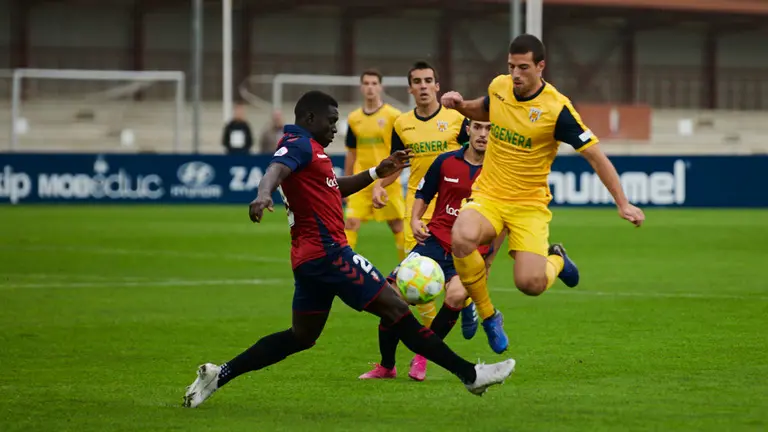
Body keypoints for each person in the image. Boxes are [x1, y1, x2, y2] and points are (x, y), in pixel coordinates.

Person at [182, 90, 516, 408]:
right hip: (331, 255)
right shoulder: (298, 144)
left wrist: (375, 172)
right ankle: (471, 374)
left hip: (308, 261)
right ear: (310, 118)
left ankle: (219, 374)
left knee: (301, 336)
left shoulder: (311, 150)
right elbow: (275, 168)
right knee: (398, 310)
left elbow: (333, 186)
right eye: (330, 121)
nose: (335, 128)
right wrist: (263, 193)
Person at [441, 34, 646, 354]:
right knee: (462, 235)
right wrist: (458, 105)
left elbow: (595, 156)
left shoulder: (557, 109)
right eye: (511, 67)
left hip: (528, 206)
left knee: (530, 285)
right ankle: (489, 316)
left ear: (541, 66)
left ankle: (557, 261)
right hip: (489, 196)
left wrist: (623, 202)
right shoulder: (500, 87)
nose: (516, 74)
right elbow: (483, 109)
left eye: (523, 67)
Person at [359, 119, 507, 382]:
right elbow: (423, 193)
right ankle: (386, 366)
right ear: (468, 130)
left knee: (457, 295)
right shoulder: (446, 161)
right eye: (478, 127)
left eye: (490, 129)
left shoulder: (501, 171)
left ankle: (423, 355)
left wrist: (489, 260)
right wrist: (416, 220)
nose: (483, 134)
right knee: (392, 297)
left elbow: (505, 221)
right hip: (434, 242)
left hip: (471, 250)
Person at [371, 61, 479, 378]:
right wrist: (379, 184)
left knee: (439, 290)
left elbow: (478, 154)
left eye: (428, 80)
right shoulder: (402, 124)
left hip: (454, 219)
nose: (422, 86)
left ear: (437, 85)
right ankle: (390, 364)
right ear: (409, 88)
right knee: (410, 292)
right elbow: (396, 165)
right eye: (416, 81)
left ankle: (423, 355)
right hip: (417, 218)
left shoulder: (457, 121)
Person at [344, 69, 406, 260]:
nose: (370, 87)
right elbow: (351, 153)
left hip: (387, 180)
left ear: (381, 87)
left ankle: (407, 267)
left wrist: (391, 176)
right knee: (351, 223)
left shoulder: (394, 116)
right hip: (361, 179)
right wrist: (346, 184)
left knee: (397, 225)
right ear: (361, 87)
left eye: (374, 83)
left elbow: (401, 151)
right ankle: (344, 267)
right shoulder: (354, 118)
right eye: (366, 83)